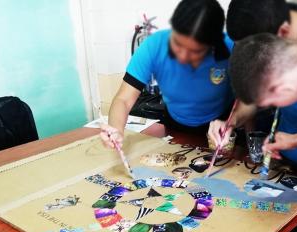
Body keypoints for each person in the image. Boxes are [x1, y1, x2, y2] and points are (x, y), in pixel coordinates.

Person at [208, 0, 297, 165]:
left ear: (282, 33)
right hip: (289, 148)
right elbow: (255, 93)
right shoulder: (253, 39)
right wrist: (233, 121)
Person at [100, 0, 234, 149]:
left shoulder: (230, 48)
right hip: (175, 127)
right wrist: (116, 130)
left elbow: (247, 99)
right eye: (178, 44)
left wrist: (232, 121)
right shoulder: (154, 46)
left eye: (194, 52)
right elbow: (123, 100)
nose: (182, 57)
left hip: (222, 130)